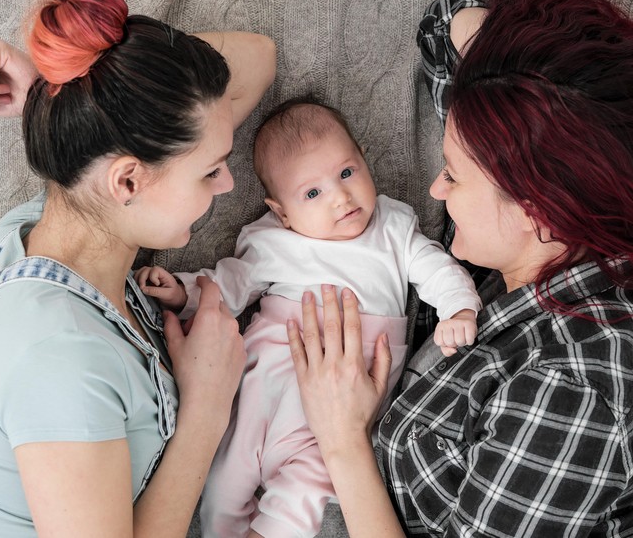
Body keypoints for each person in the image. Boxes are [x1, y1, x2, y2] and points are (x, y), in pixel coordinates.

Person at [286, 0, 633, 537]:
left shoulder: (570, 393)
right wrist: (539, 88)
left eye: (452, 175)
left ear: (534, 207)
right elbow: (442, 27)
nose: (434, 190)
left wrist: (342, 441)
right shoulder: (575, 224)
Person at [0, 0, 276, 537]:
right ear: (126, 181)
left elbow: (258, 58)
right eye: (208, 171)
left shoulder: (27, 232)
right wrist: (205, 411)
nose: (227, 185)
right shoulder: (59, 361)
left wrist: (61, 92)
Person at [134, 99, 481, 537]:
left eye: (347, 172)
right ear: (281, 211)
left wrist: (459, 308)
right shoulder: (272, 240)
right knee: (223, 482)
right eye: (312, 193)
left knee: (308, 489)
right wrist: (184, 292)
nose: (340, 197)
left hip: (342, 406)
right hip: (262, 388)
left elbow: (438, 270)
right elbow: (229, 285)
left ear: (364, 161)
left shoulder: (393, 228)